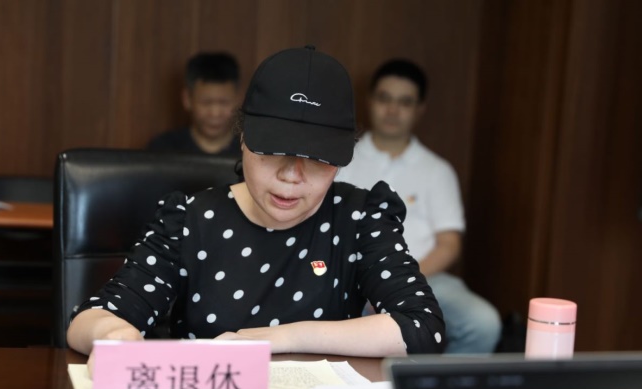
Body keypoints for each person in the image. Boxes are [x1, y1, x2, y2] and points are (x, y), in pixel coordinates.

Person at [68, 46, 445, 359]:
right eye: (273, 151)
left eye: (317, 160)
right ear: (243, 138)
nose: (291, 176)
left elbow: (423, 327)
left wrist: (280, 338)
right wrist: (117, 337)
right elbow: (89, 320)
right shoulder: (191, 220)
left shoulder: (360, 218)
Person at [335, 59, 501, 353]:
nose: (392, 110)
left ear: (420, 109)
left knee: (483, 323)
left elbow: (449, 244)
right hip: (351, 277)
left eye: (405, 102)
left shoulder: (437, 170)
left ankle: (429, 384)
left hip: (425, 277)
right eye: (385, 98)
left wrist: (401, 282)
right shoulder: (342, 159)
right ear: (369, 100)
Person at [147, 52, 242, 156]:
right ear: (187, 99)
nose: (215, 113)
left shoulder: (249, 151)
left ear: (238, 99)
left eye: (224, 102)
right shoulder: (162, 149)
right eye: (206, 103)